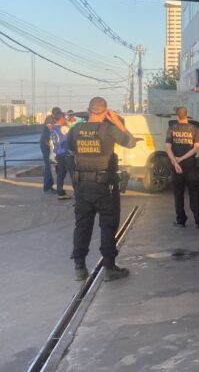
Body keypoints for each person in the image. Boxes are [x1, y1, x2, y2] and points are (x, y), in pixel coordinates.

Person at [68, 97, 138, 281]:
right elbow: (131, 142)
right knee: (108, 224)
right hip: (104, 185)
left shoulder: (75, 130)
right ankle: (109, 267)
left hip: (82, 185)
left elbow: (71, 152)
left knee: (82, 225)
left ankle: (79, 268)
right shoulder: (109, 129)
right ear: (106, 111)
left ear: (88, 110)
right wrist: (116, 121)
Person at [165, 107, 199, 228]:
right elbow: (196, 148)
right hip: (190, 165)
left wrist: (175, 162)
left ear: (177, 117)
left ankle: (181, 220)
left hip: (176, 166)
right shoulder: (195, 129)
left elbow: (167, 148)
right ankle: (198, 220)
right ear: (187, 115)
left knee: (178, 193)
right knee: (195, 193)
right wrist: (182, 159)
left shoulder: (172, 129)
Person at [51, 113, 74, 200]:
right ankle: (77, 194)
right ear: (61, 119)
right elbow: (73, 134)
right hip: (66, 154)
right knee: (73, 174)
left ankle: (60, 193)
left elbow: (53, 142)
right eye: (64, 118)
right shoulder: (63, 128)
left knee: (60, 175)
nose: (65, 120)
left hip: (58, 155)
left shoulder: (53, 129)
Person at [40, 107, 62, 193]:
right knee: (48, 166)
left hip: (51, 145)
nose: (59, 115)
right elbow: (51, 130)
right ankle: (47, 187)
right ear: (54, 113)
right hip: (46, 145)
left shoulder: (56, 120)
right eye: (58, 114)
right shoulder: (49, 118)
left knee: (52, 165)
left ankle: (50, 186)